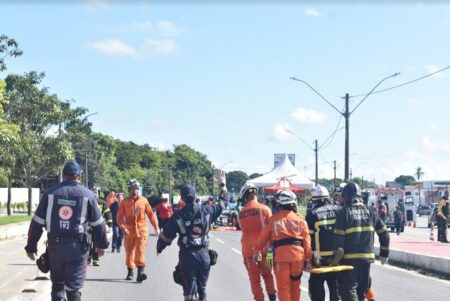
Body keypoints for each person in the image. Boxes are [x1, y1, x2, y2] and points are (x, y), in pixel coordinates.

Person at [24, 161, 108, 301]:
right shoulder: (88, 195)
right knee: (73, 289)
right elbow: (99, 224)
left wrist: (31, 247)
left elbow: (36, 223)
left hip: (55, 248)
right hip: (77, 250)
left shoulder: (50, 193)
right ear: (79, 177)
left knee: (57, 285)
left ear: (62, 176)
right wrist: (101, 245)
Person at [157, 185, 225, 301]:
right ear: (196, 196)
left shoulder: (178, 216)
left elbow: (166, 236)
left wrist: (159, 248)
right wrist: (223, 186)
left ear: (182, 199)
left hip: (187, 257)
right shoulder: (207, 210)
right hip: (204, 257)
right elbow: (222, 204)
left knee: (189, 293)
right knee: (202, 289)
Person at [332, 182, 390, 301]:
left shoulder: (343, 213)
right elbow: (385, 234)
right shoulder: (371, 211)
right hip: (366, 258)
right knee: (361, 290)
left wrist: (334, 261)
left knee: (348, 289)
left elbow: (340, 248)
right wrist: (384, 254)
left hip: (349, 260)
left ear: (346, 197)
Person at [255, 189, 312, 301]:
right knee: (296, 285)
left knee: (283, 288)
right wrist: (308, 260)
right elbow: (307, 241)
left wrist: (257, 250)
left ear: (279, 204)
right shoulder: (301, 220)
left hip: (280, 258)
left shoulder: (273, 220)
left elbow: (263, 238)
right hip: (298, 258)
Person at [238, 183, 277, 301]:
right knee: (268, 275)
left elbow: (242, 230)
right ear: (256, 194)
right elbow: (272, 230)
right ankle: (272, 298)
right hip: (268, 251)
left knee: (254, 280)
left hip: (249, 252)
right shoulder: (265, 209)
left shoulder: (240, 214)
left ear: (244, 196)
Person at [117, 179, 159, 282]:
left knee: (140, 251)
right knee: (129, 252)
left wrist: (156, 227)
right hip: (129, 231)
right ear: (129, 189)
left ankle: (140, 274)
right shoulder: (124, 202)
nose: (135, 191)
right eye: (133, 189)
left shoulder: (144, 201)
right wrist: (123, 227)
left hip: (142, 230)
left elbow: (150, 215)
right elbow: (119, 217)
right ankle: (130, 271)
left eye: (136, 189)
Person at [305, 185, 342, 301]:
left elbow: (308, 240)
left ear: (314, 200)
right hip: (336, 259)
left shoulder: (311, 214)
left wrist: (308, 259)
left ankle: (318, 258)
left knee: (316, 292)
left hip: (318, 261)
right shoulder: (339, 211)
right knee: (335, 291)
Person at [88, 187, 112, 266]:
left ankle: (96, 259)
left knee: (96, 244)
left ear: (98, 193)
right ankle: (88, 258)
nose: (94, 194)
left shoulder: (102, 202)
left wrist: (109, 224)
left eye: (96, 192)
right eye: (93, 192)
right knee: (87, 243)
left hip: (98, 227)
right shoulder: (87, 201)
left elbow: (107, 214)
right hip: (88, 227)